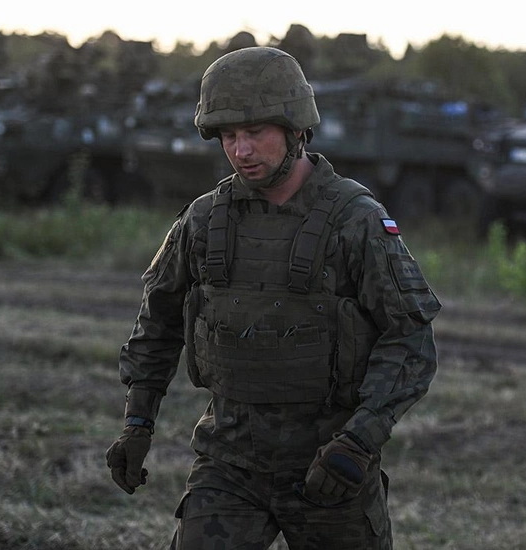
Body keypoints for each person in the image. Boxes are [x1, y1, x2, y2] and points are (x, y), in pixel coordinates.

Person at [105, 46, 442, 550]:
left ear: (296, 129)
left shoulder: (356, 220)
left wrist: (359, 440)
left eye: (255, 132)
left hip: (330, 466)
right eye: (228, 136)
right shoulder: (204, 220)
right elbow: (158, 323)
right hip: (229, 464)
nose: (241, 150)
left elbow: (410, 337)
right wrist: (138, 422)